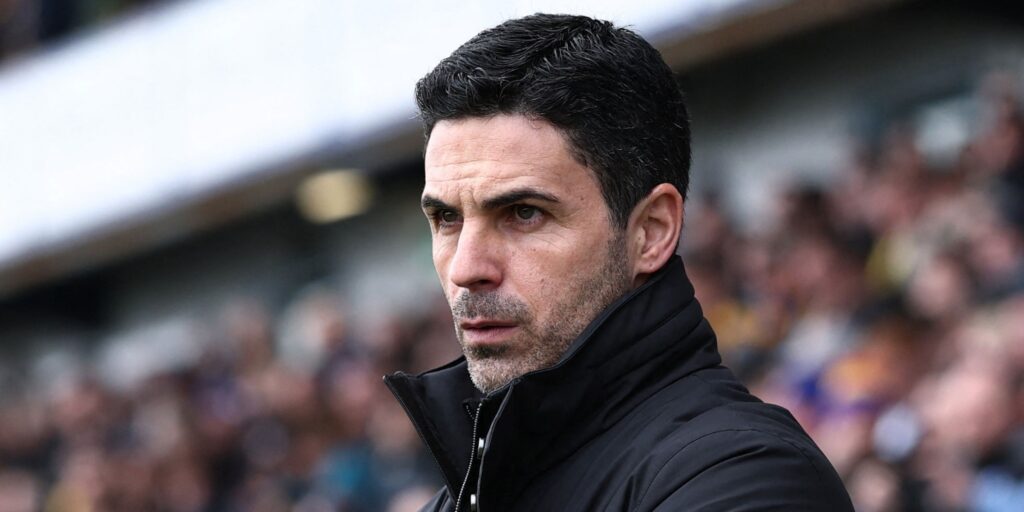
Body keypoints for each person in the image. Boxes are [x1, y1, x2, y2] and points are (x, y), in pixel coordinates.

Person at [384, 13, 853, 511]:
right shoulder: (463, 498)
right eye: (447, 219)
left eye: (524, 213)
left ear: (651, 231)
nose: (465, 268)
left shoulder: (745, 475)